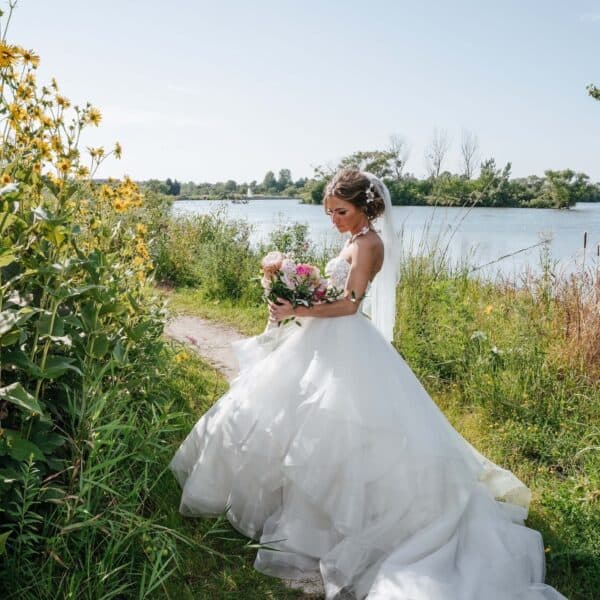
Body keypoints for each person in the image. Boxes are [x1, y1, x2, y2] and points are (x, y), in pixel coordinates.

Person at [169, 169, 566, 599]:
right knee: (294, 415)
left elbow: (351, 306)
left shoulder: (370, 243)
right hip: (324, 336)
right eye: (329, 212)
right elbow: (332, 296)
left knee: (343, 428)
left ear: (366, 207)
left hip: (346, 339)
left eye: (341, 211)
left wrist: (298, 309)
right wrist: (300, 299)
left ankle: (339, 525)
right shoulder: (353, 240)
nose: (334, 219)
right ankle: (285, 507)